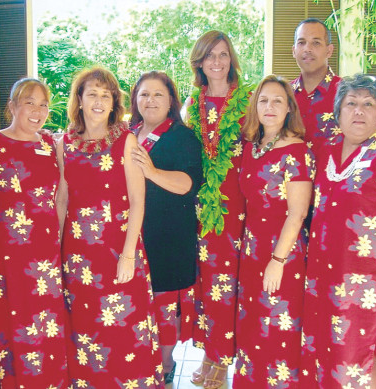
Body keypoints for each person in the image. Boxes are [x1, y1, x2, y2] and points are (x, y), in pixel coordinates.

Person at [300, 74, 376, 389]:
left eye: (368, 104)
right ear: (338, 112)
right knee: (321, 352)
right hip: (321, 276)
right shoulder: (326, 150)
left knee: (356, 357)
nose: (359, 111)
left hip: (364, 282)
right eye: (351, 104)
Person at [57, 66, 163, 388]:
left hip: (119, 252)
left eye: (106, 95)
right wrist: (56, 249)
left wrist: (129, 254)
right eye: (92, 94)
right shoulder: (65, 143)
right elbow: (62, 198)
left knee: (124, 331)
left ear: (115, 101)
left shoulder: (126, 140)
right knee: (87, 332)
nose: (99, 101)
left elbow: (137, 200)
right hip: (79, 259)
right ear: (80, 98)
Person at [0, 78, 69, 388]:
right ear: (13, 107)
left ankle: (46, 381)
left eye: (43, 104)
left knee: (46, 318)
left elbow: (62, 196)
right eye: (29, 103)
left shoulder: (51, 144)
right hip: (9, 248)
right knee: (13, 315)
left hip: (46, 246)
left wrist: (59, 240)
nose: (37, 111)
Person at [233, 75, 315, 388]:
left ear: (288, 109)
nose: (270, 106)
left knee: (277, 331)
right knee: (253, 329)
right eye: (264, 100)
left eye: (278, 100)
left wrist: (277, 260)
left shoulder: (296, 151)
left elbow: (298, 213)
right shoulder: (252, 147)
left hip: (282, 256)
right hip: (253, 253)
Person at [183, 30, 253, 389]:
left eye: (223, 54)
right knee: (207, 283)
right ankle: (211, 353)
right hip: (201, 209)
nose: (217, 61)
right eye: (210, 55)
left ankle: (225, 361)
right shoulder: (192, 106)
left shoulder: (249, 101)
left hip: (238, 206)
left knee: (231, 284)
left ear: (232, 58)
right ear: (199, 61)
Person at [129, 71, 203, 384]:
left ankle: (165, 367)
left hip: (170, 236)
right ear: (135, 99)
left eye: (158, 94)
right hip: (135, 235)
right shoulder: (128, 134)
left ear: (171, 99)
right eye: (144, 94)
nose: (151, 100)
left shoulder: (182, 136)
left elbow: (188, 183)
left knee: (164, 306)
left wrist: (151, 171)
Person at [291, 18, 342, 155]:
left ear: (329, 51)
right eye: (301, 42)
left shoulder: (347, 93)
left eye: (316, 43)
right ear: (294, 51)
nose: (307, 49)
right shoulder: (283, 95)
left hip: (334, 175)